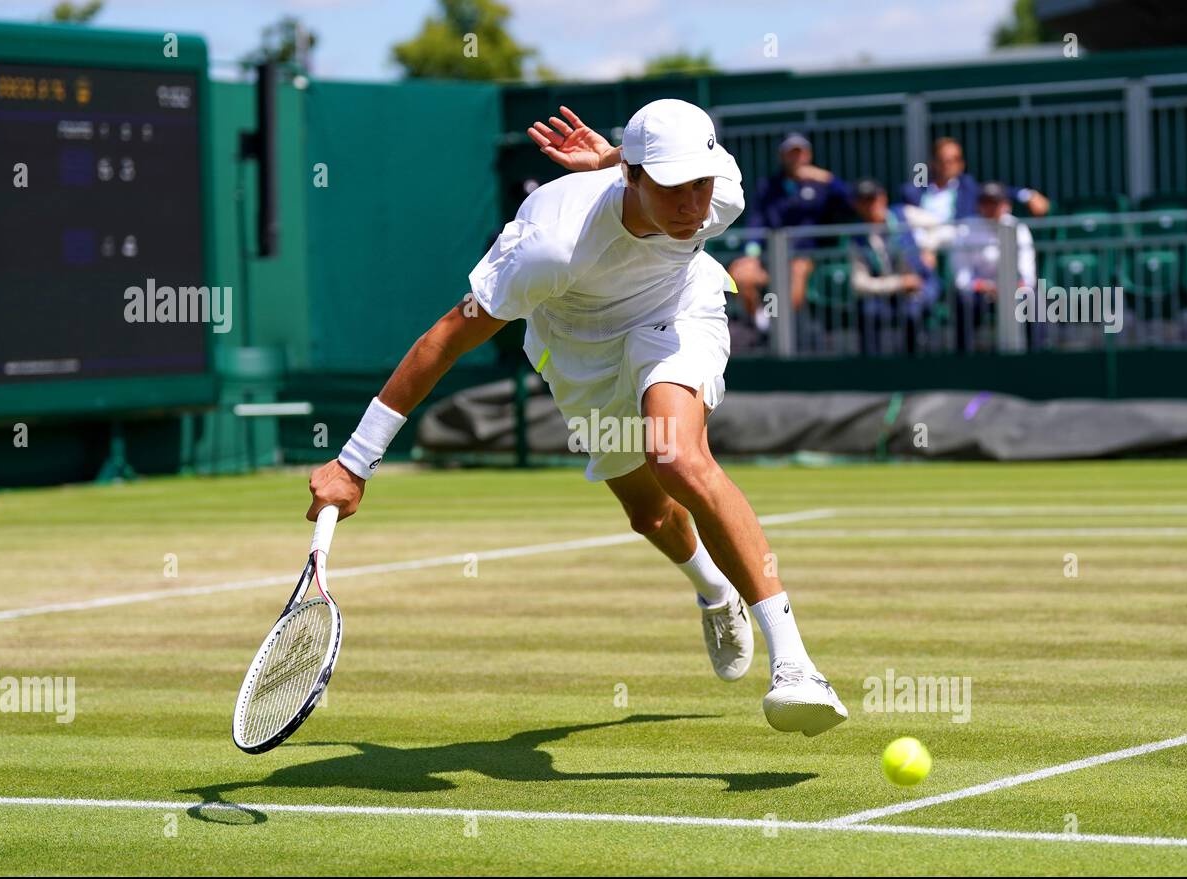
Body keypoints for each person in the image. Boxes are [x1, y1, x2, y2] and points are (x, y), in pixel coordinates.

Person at [307, 100, 848, 737]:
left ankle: (796, 664)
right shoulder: (550, 247)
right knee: (649, 514)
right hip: (577, 346)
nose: (691, 205)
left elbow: (681, 180)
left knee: (676, 454)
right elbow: (445, 339)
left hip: (675, 312)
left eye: (698, 184)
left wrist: (613, 156)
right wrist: (354, 461)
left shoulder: (718, 194)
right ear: (636, 181)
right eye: (671, 187)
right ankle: (713, 590)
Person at [727, 133, 854, 340]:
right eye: (790, 153)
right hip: (769, 256)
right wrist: (752, 251)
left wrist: (829, 179)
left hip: (804, 256)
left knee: (796, 273)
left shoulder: (822, 185)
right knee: (740, 274)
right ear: (782, 156)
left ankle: (780, 327)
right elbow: (757, 221)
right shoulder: (768, 187)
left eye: (800, 153)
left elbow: (851, 203)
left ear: (808, 155)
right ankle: (763, 321)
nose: (796, 158)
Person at [848, 179, 941, 356]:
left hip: (922, 284)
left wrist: (929, 249)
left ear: (883, 198)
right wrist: (899, 283)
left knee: (912, 312)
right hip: (887, 294)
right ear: (856, 205)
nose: (870, 205)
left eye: (872, 199)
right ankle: (871, 371)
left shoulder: (905, 214)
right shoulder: (857, 239)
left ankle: (913, 366)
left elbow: (937, 224)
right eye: (863, 201)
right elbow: (859, 283)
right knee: (868, 312)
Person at [950, 180, 1038, 353]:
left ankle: (1036, 357)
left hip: (1014, 290)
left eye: (995, 203)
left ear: (1006, 205)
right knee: (963, 302)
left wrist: (1010, 287)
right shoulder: (966, 229)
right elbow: (961, 276)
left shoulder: (1018, 227)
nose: (991, 208)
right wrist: (983, 286)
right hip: (979, 291)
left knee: (1034, 301)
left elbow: (1028, 274)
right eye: (985, 203)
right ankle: (963, 362)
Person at [901, 136, 1049, 225]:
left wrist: (1028, 195)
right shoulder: (916, 190)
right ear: (933, 163)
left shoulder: (968, 187)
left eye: (954, 160)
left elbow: (997, 191)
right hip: (922, 243)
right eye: (943, 160)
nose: (949, 164)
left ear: (961, 164)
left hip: (957, 242)